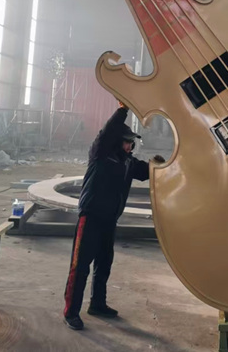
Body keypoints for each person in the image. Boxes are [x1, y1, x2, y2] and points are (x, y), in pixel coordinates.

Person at [63, 102, 165, 331]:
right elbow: (107, 132)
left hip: (109, 220)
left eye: (132, 143)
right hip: (91, 217)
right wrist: (122, 110)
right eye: (127, 142)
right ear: (117, 141)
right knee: (80, 266)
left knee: (104, 264)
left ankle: (97, 304)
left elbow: (148, 171)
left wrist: (162, 166)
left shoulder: (128, 163)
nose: (130, 146)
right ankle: (71, 312)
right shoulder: (100, 153)